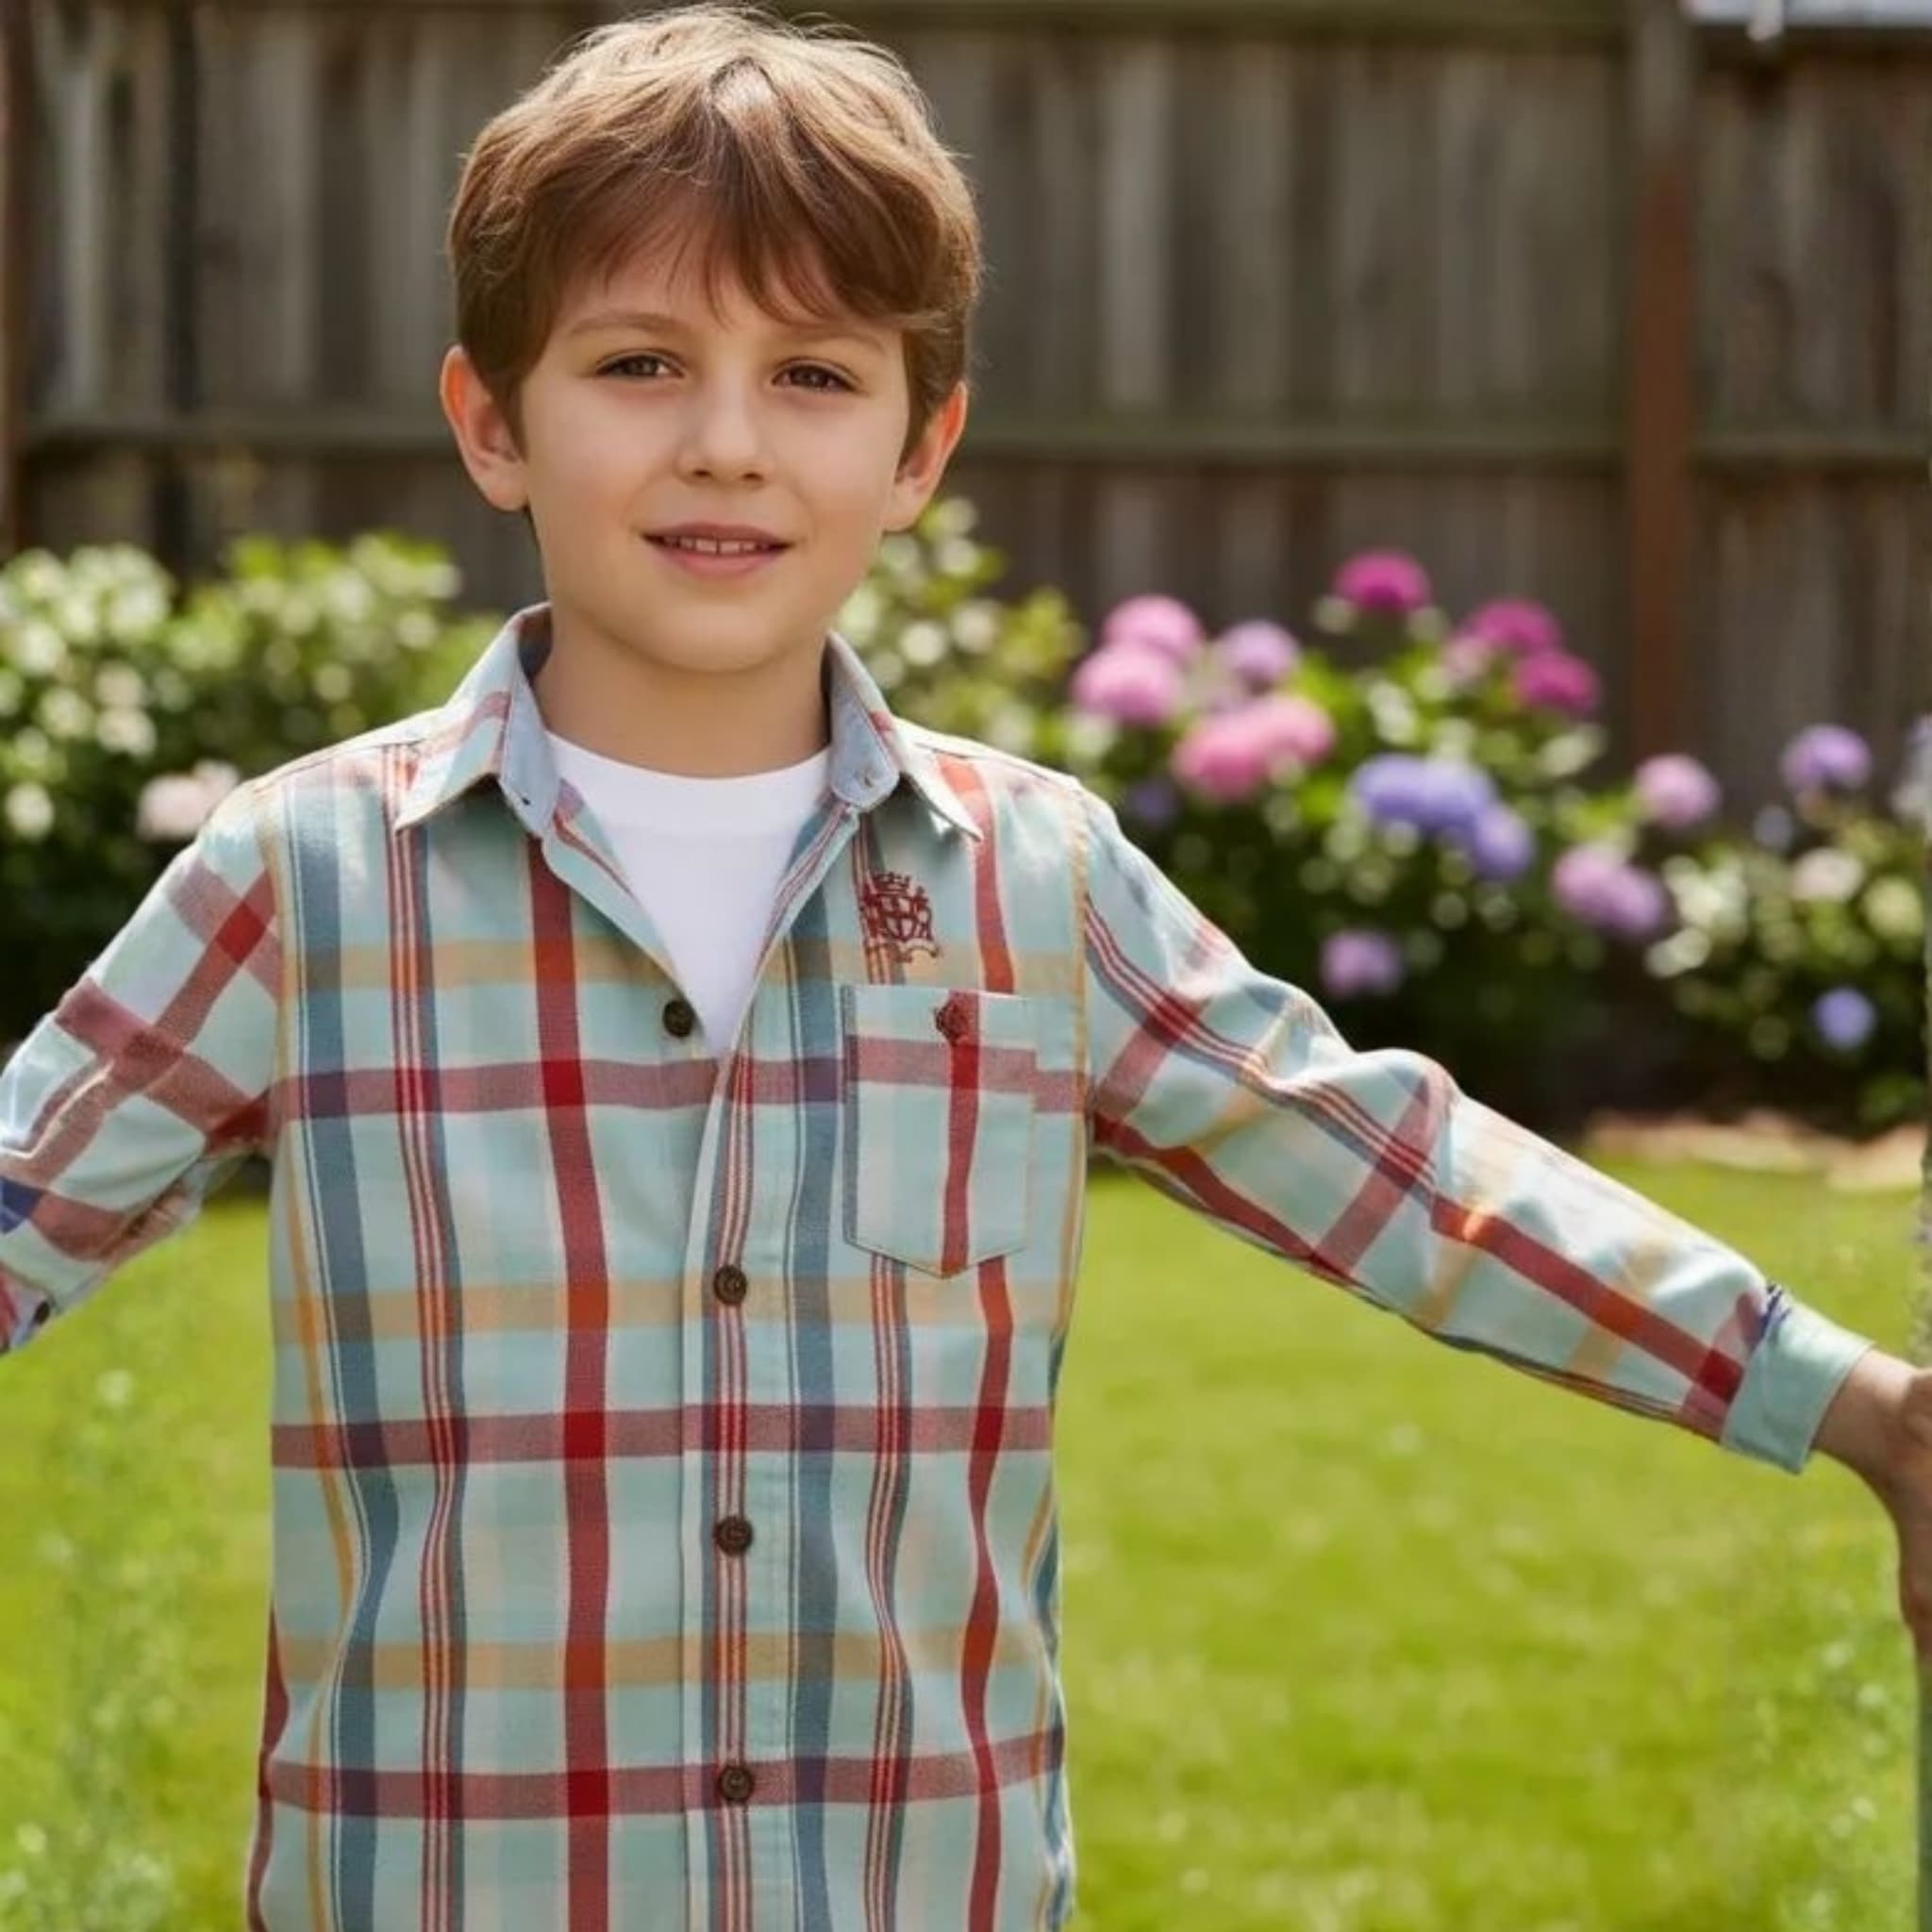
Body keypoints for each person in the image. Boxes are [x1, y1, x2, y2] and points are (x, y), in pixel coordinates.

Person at [2, 4, 1926, 1926]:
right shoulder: (307, 879)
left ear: (921, 446)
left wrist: (1851, 1404)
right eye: (640, 361)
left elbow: (1395, 1176)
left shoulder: (1036, 881)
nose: (727, 443)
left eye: (815, 375)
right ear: (494, 420)